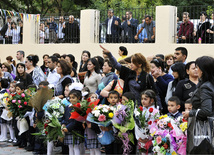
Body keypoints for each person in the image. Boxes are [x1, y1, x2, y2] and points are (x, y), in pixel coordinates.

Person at [182, 56, 214, 154]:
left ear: (203, 70)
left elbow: (206, 110)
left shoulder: (206, 87)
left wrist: (190, 113)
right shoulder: (207, 84)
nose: (196, 70)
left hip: (205, 128)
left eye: (197, 67)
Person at [135, 89, 160, 154]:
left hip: (150, 139)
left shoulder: (155, 111)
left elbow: (155, 126)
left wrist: (149, 137)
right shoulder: (140, 110)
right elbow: (137, 125)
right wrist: (139, 137)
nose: (143, 101)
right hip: (141, 139)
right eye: (142, 99)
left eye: (145, 99)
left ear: (151, 100)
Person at [61, 89, 84, 155]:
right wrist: (63, 124)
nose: (71, 99)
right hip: (67, 129)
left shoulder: (79, 107)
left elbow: (76, 120)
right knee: (70, 147)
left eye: (73, 98)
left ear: (78, 98)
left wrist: (68, 128)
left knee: (76, 147)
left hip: (75, 129)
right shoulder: (67, 107)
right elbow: (64, 117)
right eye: (70, 98)